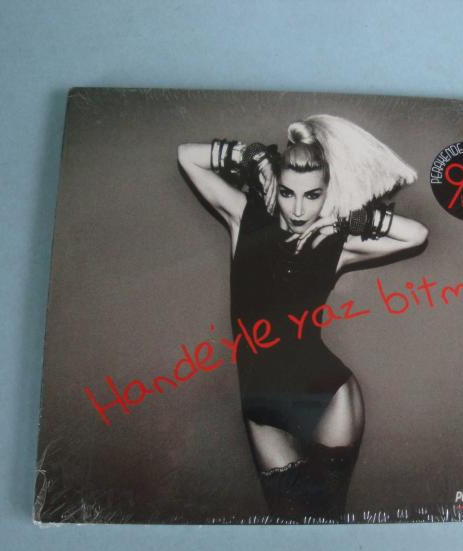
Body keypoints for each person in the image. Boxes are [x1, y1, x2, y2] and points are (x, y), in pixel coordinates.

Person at [178, 115, 428, 522]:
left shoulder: (336, 242)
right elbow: (186, 156)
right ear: (275, 184)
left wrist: (348, 218)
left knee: (325, 517)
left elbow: (416, 234)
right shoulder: (245, 219)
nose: (298, 209)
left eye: (312, 195)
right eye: (288, 192)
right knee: (289, 521)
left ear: (328, 192)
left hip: (325, 396)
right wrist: (251, 156)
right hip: (261, 406)